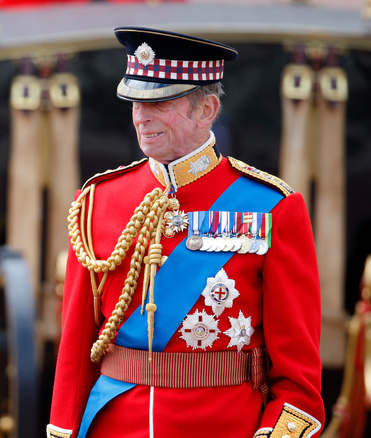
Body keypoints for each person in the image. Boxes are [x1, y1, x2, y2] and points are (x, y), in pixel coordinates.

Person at [47, 27, 323, 438]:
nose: (141, 116)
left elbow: (298, 377)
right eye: (136, 102)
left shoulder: (273, 207)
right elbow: (75, 350)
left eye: (160, 103)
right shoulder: (95, 202)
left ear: (206, 109)